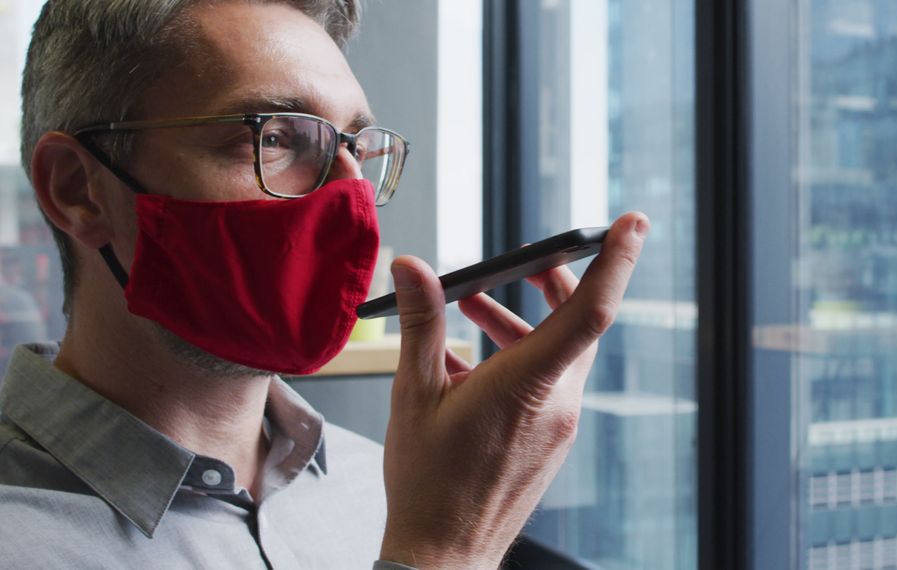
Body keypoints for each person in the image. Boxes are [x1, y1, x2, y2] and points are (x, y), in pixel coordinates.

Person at [0, 1, 648, 568]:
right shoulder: (440, 515)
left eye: (356, 150)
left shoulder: (391, 483)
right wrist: (444, 553)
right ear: (77, 189)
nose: (350, 196)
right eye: (276, 137)